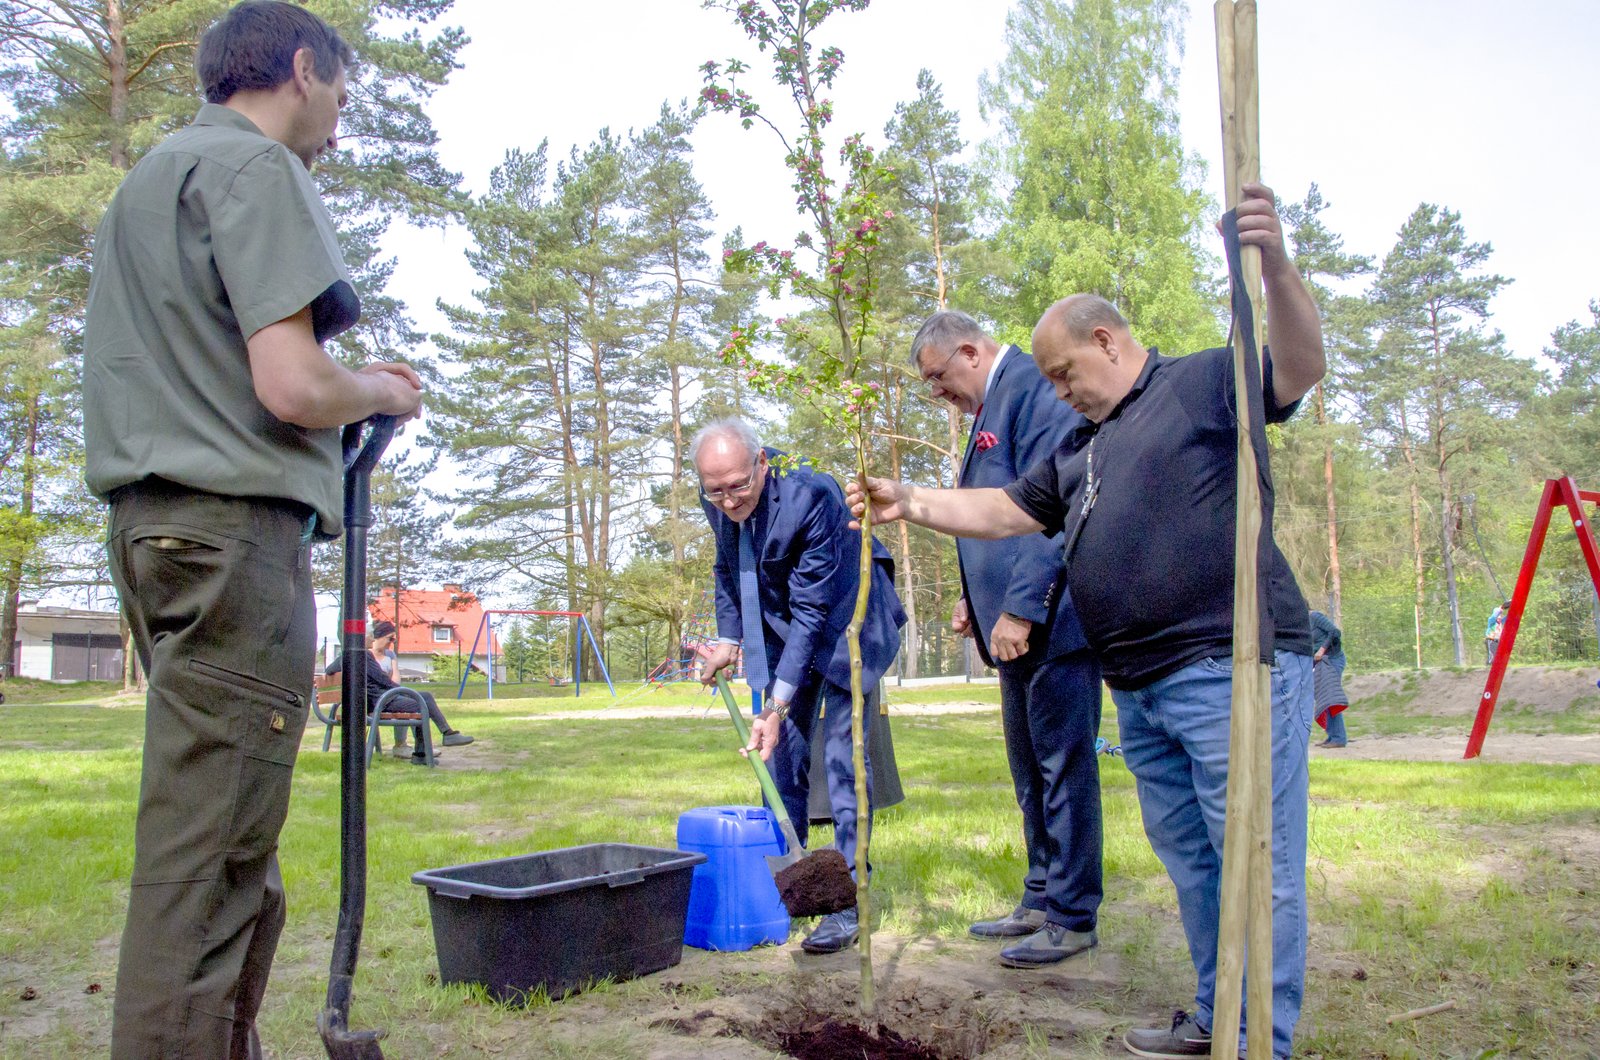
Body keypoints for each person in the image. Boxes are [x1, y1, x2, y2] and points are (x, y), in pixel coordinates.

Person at [848, 183, 1323, 1060]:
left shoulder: (1198, 385)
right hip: (1140, 691)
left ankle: (1262, 1041)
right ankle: (1221, 1019)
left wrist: (1278, 267)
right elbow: (1005, 512)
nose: (1058, 392)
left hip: (1230, 667)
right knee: (1196, 866)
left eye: (1065, 373)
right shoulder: (1080, 447)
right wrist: (910, 500)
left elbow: (1295, 369)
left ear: (1106, 340)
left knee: (1255, 867)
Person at [81, 4, 424, 1056]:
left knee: (218, 830)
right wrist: (379, 391)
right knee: (210, 859)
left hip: (157, 534)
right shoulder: (254, 169)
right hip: (232, 537)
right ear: (301, 68)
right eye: (340, 95)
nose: (337, 121)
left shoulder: (152, 178)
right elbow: (292, 382)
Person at [910, 309, 1105, 968]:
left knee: (1061, 769)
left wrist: (1020, 606)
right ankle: (1041, 895)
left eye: (939, 378)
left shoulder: (1031, 388)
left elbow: (1056, 506)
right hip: (1015, 630)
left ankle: (1073, 916)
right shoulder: (998, 402)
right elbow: (997, 511)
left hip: (1055, 623)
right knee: (1030, 771)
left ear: (969, 351)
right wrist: (976, 595)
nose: (940, 394)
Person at [693, 416, 906, 955]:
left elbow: (813, 611)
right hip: (785, 629)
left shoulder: (810, 494)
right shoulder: (718, 497)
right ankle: (789, 885)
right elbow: (727, 569)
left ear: (761, 461)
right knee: (779, 760)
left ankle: (845, 899)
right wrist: (728, 639)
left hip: (843, 627)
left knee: (841, 761)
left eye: (739, 485)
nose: (728, 500)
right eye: (714, 490)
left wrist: (778, 703)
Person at [324, 619, 473, 762]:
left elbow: (330, 669)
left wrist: (345, 657)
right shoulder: (364, 655)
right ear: (364, 638)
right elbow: (383, 680)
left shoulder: (352, 655)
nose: (372, 639)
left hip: (375, 700)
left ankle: (447, 734)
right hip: (379, 702)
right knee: (420, 704)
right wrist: (403, 691)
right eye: (370, 636)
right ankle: (422, 754)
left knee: (424, 696)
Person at [1310, 610, 1349, 748]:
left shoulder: (1314, 616)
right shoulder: (1301, 623)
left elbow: (1334, 632)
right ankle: (1333, 736)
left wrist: (1321, 649)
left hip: (1333, 659)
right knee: (1324, 698)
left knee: (1330, 698)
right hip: (1320, 663)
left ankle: (1339, 738)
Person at [1485, 600, 1511, 666]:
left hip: (1498, 640)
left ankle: (1493, 666)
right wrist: (1501, 608)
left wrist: (1512, 608)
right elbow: (1494, 617)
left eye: (1500, 616)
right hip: (1491, 640)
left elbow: (1508, 617)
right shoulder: (1491, 621)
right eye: (1498, 616)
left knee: (1499, 657)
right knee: (1492, 657)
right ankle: (1489, 667)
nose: (1500, 617)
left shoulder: (1500, 622)